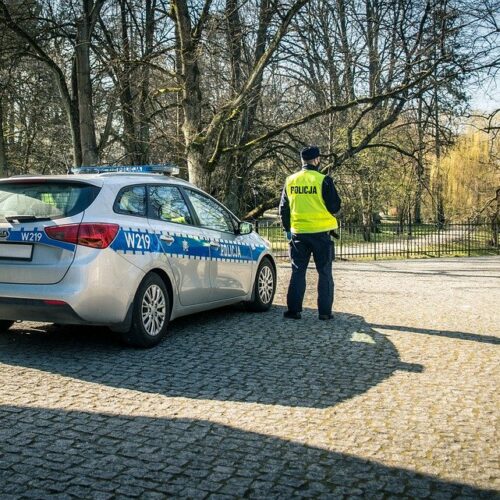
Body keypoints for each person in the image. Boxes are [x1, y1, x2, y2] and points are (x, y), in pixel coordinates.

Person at [279, 146, 341, 320]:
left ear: (302, 161)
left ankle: (293, 310)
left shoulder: (290, 180)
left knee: (298, 271)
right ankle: (325, 312)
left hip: (299, 233)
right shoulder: (324, 180)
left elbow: (284, 208)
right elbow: (335, 206)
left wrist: (287, 229)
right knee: (324, 272)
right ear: (316, 160)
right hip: (321, 233)